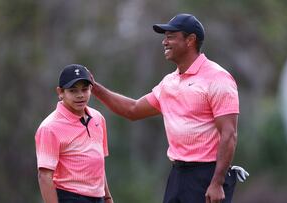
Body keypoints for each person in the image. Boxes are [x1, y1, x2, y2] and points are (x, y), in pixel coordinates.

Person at [92, 13, 240, 203]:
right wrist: (95, 89)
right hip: (178, 175)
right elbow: (133, 110)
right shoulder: (169, 82)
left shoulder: (218, 78)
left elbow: (229, 134)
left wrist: (217, 182)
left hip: (207, 175)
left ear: (190, 40)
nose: (164, 42)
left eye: (171, 36)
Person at [35, 64, 113, 203]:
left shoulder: (98, 118)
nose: (80, 95)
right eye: (72, 90)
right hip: (70, 196)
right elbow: (45, 176)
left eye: (85, 89)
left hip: (98, 197)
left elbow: (98, 163)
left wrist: (107, 197)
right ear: (60, 92)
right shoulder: (50, 127)